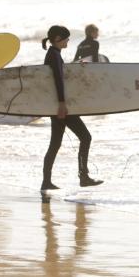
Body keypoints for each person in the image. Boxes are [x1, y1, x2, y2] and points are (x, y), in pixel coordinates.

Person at [41, 25, 103, 193]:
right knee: (86, 137)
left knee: (55, 144)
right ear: (57, 39)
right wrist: (62, 104)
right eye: (66, 38)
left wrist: (76, 66)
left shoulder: (54, 54)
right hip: (61, 106)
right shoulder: (54, 55)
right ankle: (83, 177)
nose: (68, 41)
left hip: (56, 106)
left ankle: (46, 181)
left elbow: (61, 73)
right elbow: (58, 80)